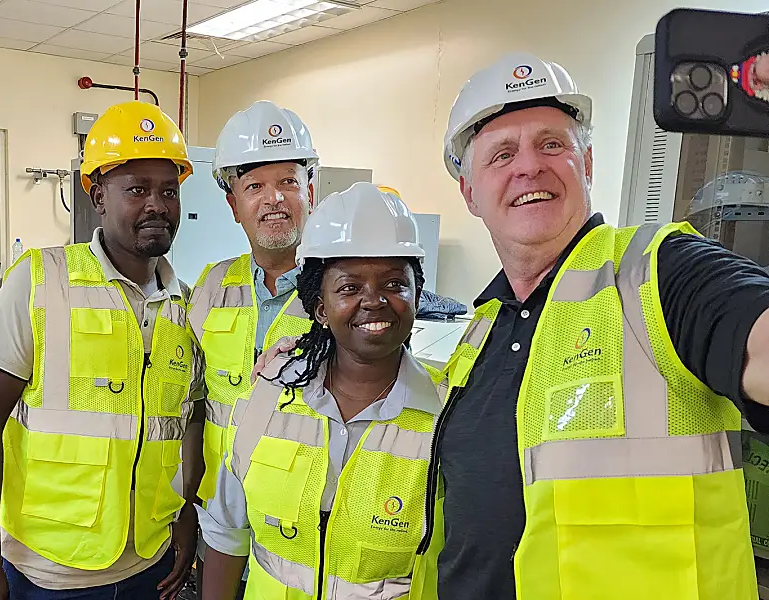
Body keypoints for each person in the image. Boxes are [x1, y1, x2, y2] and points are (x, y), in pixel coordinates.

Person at [258, 53, 769, 600]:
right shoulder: (477, 334)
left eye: (552, 144)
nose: (528, 167)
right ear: (470, 193)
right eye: (502, 154)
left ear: (587, 164)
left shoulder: (657, 275)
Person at [0, 101, 206, 600]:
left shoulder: (187, 306)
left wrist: (185, 515)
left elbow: (188, 419)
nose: (156, 205)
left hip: (148, 560)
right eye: (136, 190)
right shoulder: (39, 280)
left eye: (168, 191)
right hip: (50, 572)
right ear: (97, 196)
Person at [199, 182, 442, 600]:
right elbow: (227, 532)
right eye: (349, 288)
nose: (374, 301)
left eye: (394, 284)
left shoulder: (446, 414)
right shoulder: (269, 396)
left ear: (417, 293)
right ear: (319, 307)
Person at [187, 101, 318, 596]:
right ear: (233, 204)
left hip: (299, 526)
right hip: (219, 517)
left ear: (310, 190)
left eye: (288, 182)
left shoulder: (342, 290)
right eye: (255, 186)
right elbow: (194, 404)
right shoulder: (212, 284)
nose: (274, 200)